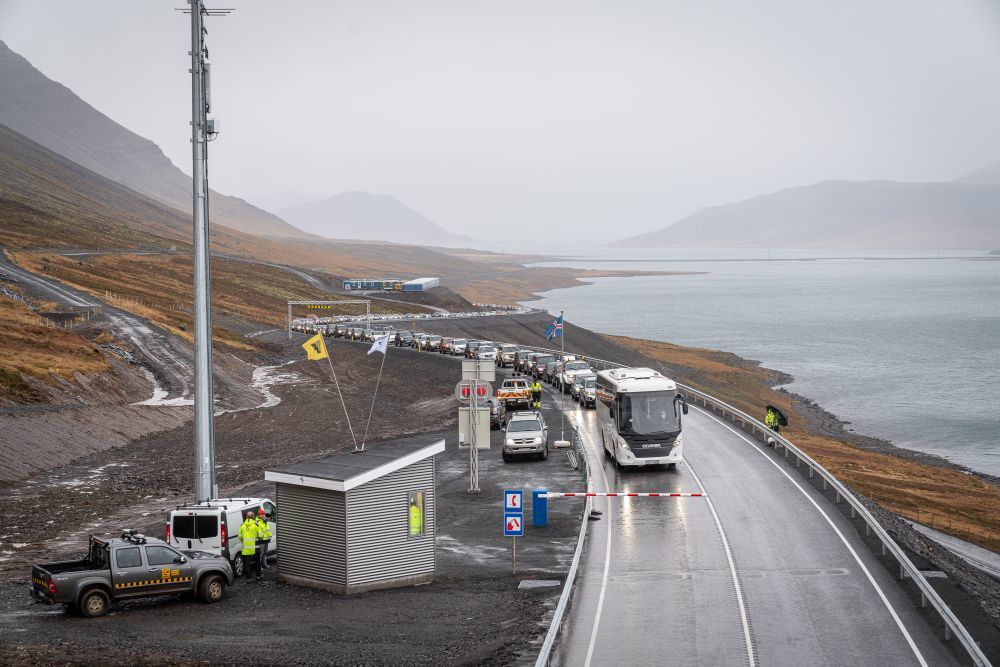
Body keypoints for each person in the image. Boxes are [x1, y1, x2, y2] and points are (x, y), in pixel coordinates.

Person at [238, 511, 260, 580]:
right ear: (253, 516)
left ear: (246, 517)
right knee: (257, 561)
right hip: (255, 547)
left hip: (246, 548)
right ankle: (258, 576)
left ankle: (248, 578)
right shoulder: (256, 525)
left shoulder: (242, 526)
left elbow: (240, 537)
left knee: (247, 563)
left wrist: (244, 541)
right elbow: (261, 535)